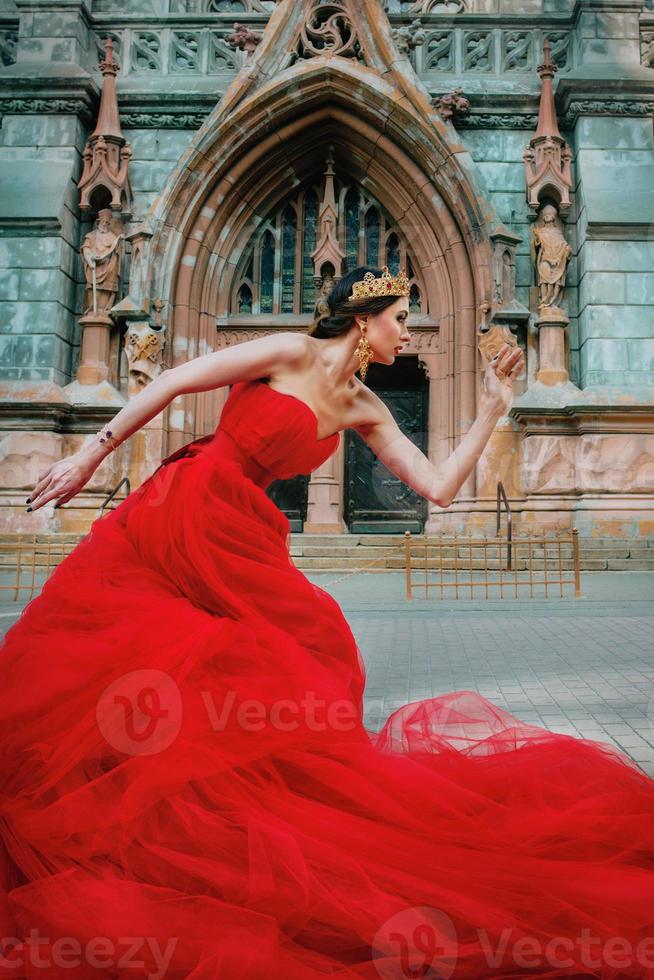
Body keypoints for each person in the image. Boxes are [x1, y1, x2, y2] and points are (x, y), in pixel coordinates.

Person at [1, 266, 653, 979]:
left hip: (245, 535)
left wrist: (494, 406)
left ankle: (222, 812)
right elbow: (175, 380)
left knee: (310, 644)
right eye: (400, 317)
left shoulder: (363, 405)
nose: (408, 330)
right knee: (136, 636)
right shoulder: (286, 351)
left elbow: (437, 487)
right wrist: (90, 455)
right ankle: (100, 790)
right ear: (364, 320)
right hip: (185, 508)